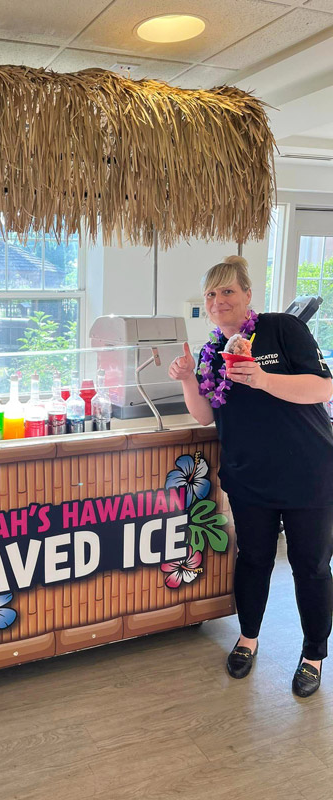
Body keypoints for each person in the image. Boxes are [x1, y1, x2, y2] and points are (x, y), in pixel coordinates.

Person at [168, 255, 333, 698]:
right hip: (247, 475)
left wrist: (263, 380)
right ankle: (248, 638)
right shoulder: (209, 355)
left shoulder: (281, 329)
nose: (218, 300)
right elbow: (205, 415)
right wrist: (187, 380)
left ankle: (314, 653)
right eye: (211, 293)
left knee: (311, 566)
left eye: (227, 291)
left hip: (308, 473)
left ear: (247, 295)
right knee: (254, 559)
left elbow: (324, 387)